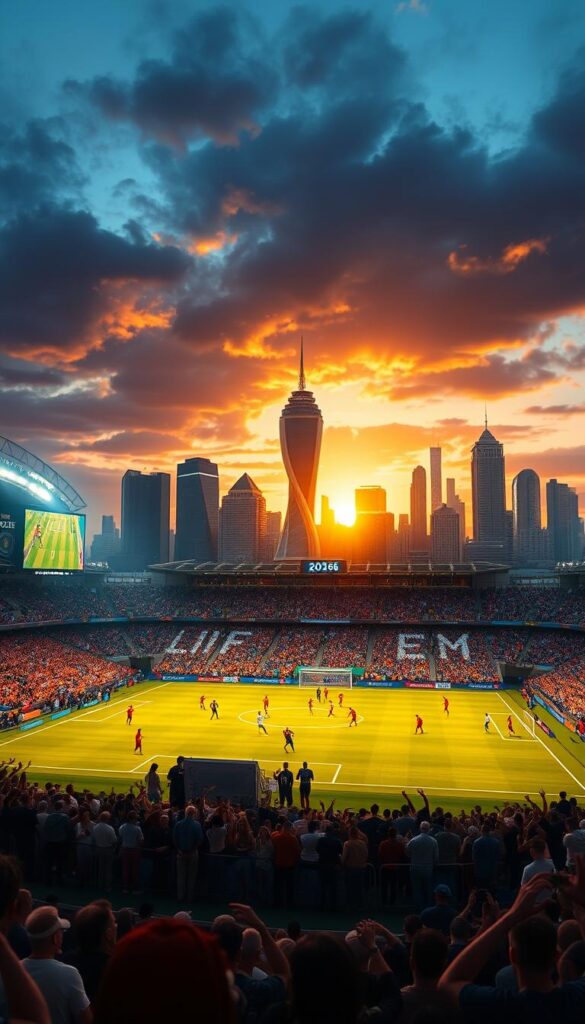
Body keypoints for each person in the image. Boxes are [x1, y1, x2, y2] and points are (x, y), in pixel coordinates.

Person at [21, 906, 92, 1024]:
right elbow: (86, 1020)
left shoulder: (10, 972)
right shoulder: (69, 974)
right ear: (56, 938)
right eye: (61, 932)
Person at [173, 805, 203, 903]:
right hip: (192, 853)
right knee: (191, 877)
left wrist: (179, 850)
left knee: (181, 876)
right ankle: (189, 897)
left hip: (181, 853)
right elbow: (199, 840)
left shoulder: (178, 824)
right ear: (193, 813)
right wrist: (192, 851)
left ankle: (180, 897)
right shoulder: (197, 825)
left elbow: (175, 839)